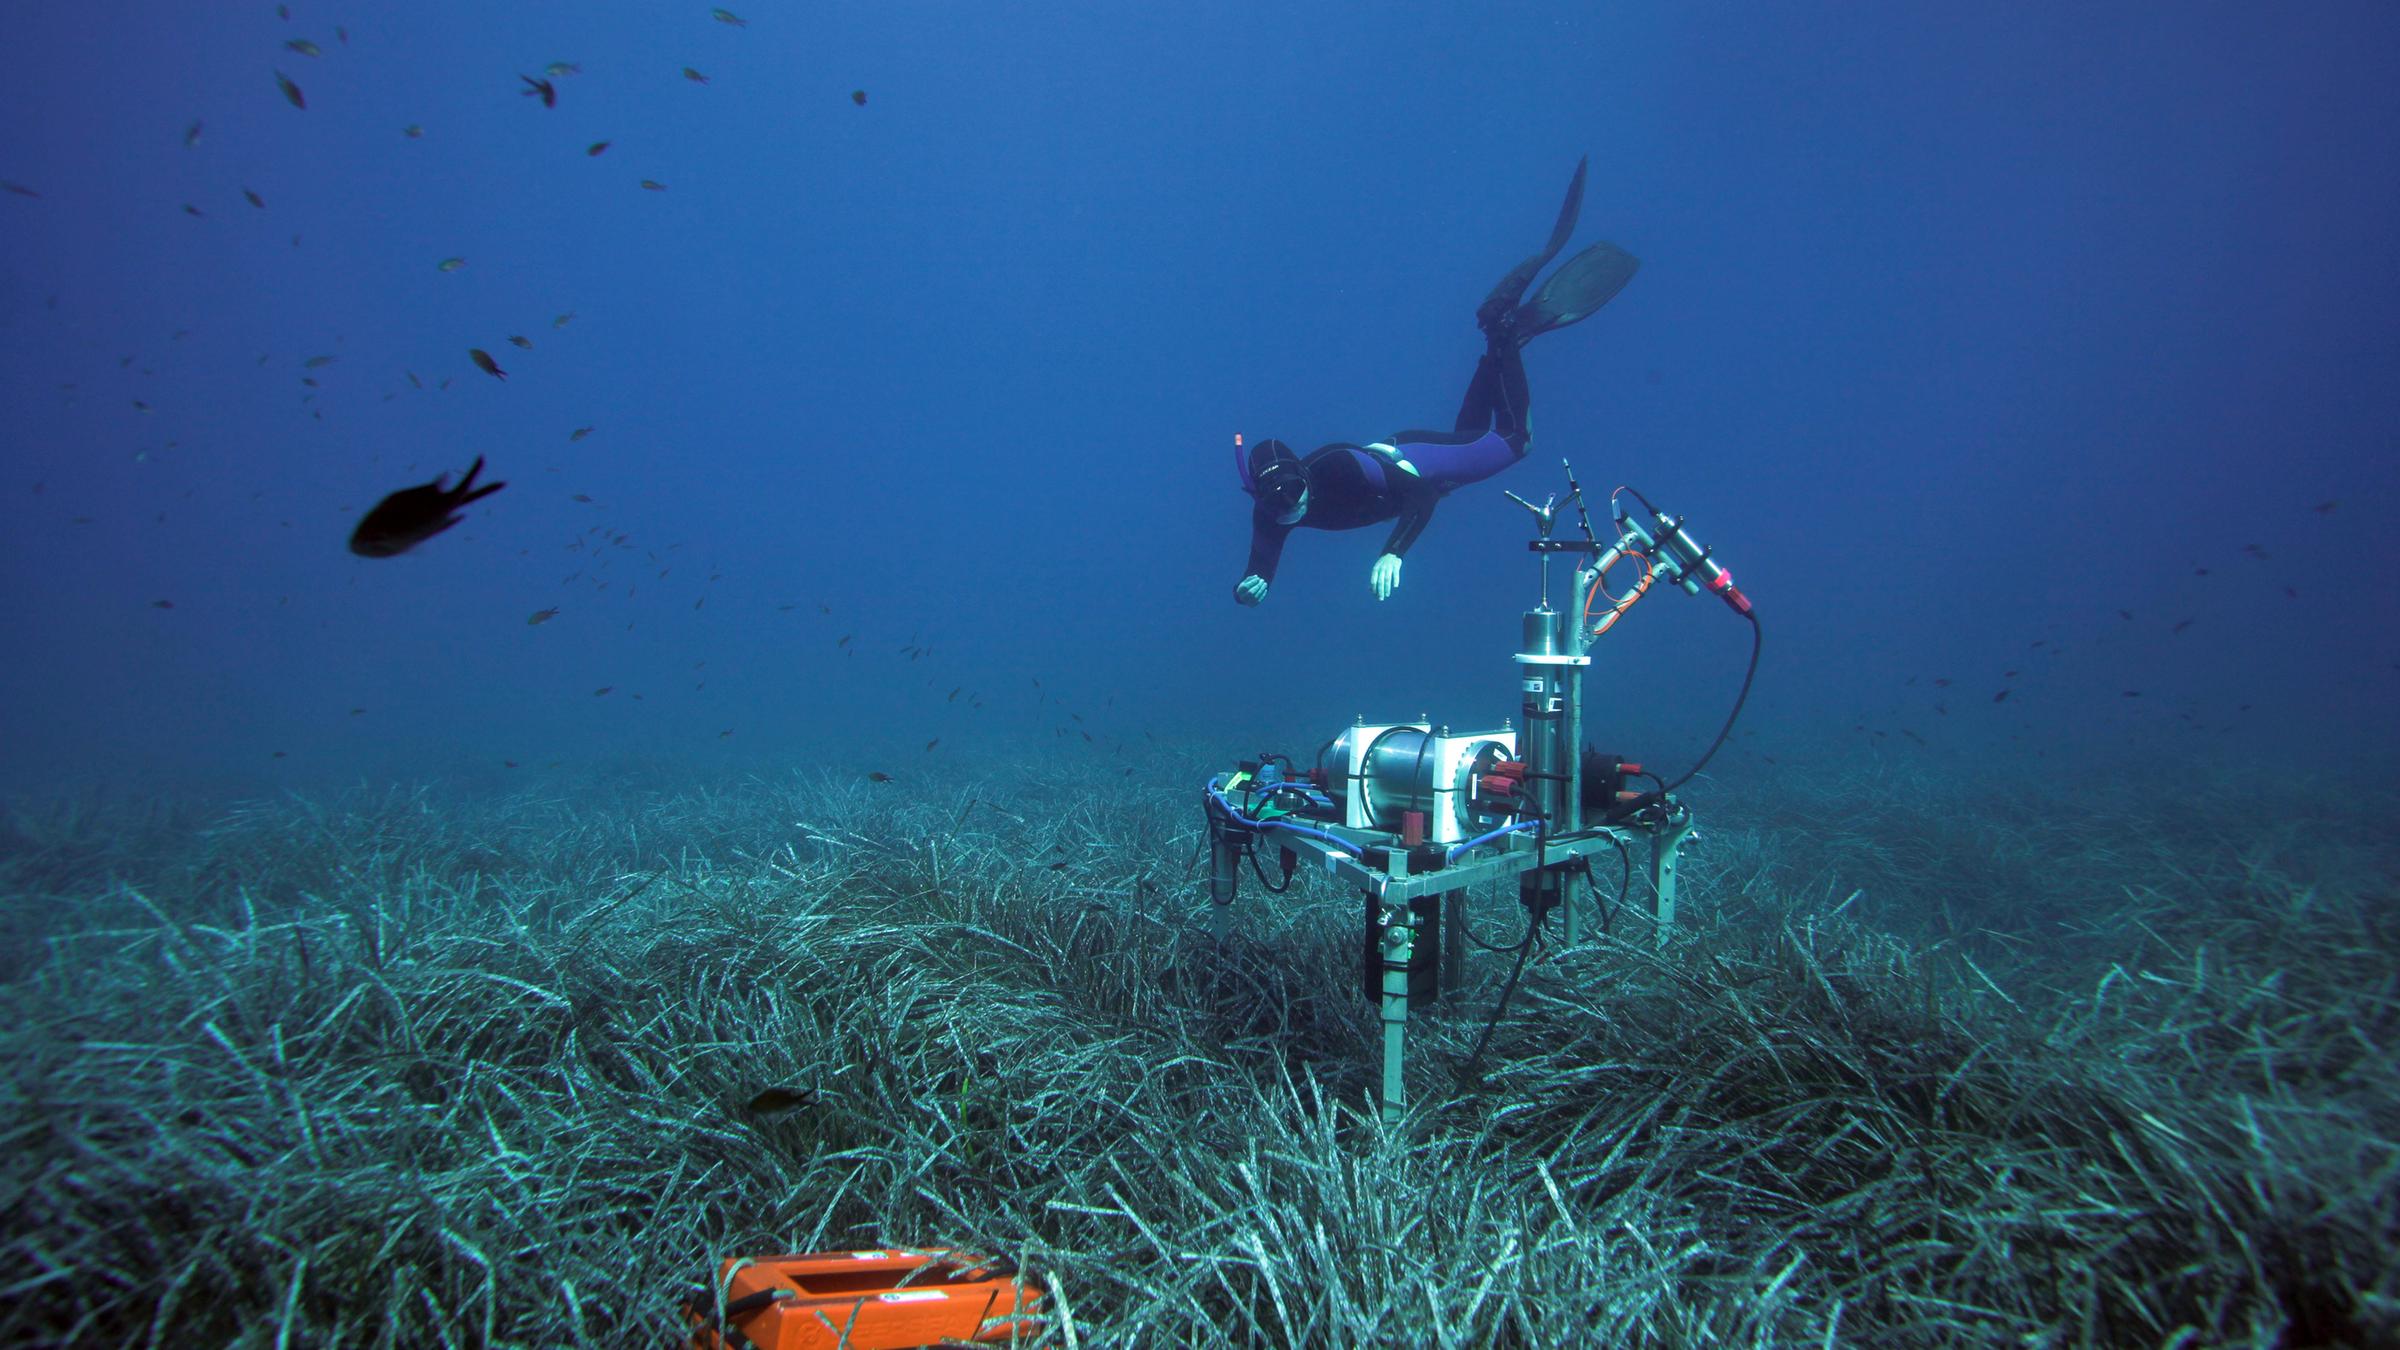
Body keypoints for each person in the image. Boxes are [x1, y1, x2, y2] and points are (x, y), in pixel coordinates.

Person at [1235, 157, 1637, 606]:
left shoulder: (1334, 467)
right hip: (1416, 464)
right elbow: (1262, 560)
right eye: (1280, 506)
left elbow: (1420, 494)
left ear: (1302, 476)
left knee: (1515, 440)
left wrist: (1393, 553)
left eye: (1294, 496)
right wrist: (1252, 585)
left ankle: (1501, 329)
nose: (1292, 509)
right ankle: (1502, 338)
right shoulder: (1270, 512)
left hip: (1420, 465)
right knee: (1472, 436)